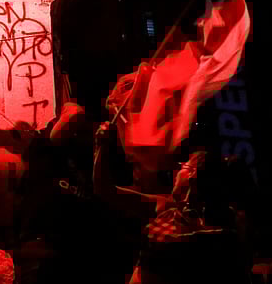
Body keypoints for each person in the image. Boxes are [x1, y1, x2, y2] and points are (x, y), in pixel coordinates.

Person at [93, 121, 254, 284]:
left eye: (183, 166)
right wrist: (102, 145)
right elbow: (105, 190)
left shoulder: (223, 227)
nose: (176, 171)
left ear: (194, 175)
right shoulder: (167, 206)